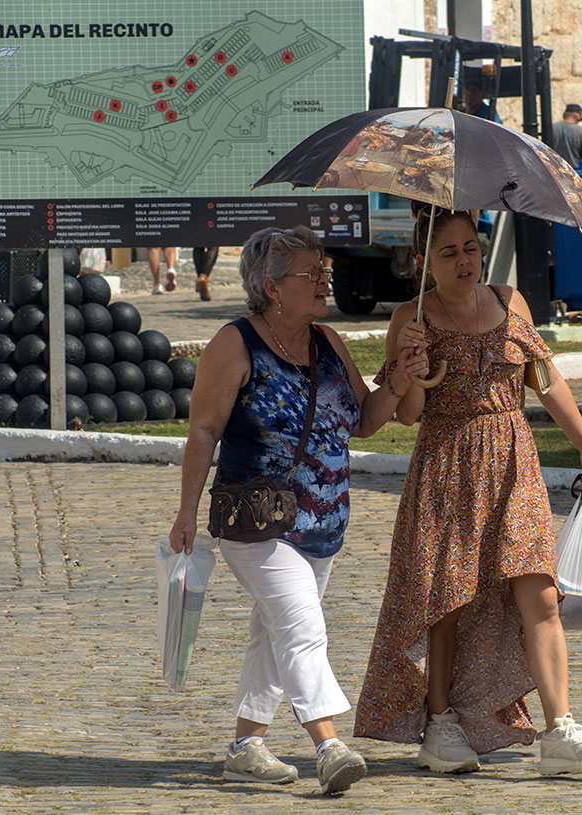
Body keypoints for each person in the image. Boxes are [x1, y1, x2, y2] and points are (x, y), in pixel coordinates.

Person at [354, 205, 582, 776]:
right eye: (448, 253)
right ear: (425, 261)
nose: (464, 261)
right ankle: (441, 725)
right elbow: (409, 415)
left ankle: (559, 729)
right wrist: (415, 368)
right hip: (446, 468)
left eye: (470, 247)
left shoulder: (510, 301)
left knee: (541, 594)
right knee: (446, 602)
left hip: (513, 460)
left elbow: (545, 380)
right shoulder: (411, 317)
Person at [167, 226, 429, 794]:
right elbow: (203, 432)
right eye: (312, 272)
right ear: (272, 287)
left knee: (275, 627)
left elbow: (366, 417)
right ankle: (329, 744)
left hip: (324, 522)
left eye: (324, 271)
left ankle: (246, 743)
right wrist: (186, 512)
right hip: (256, 519)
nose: (324, 279)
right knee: (302, 624)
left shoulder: (329, 341)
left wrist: (403, 373)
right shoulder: (234, 345)